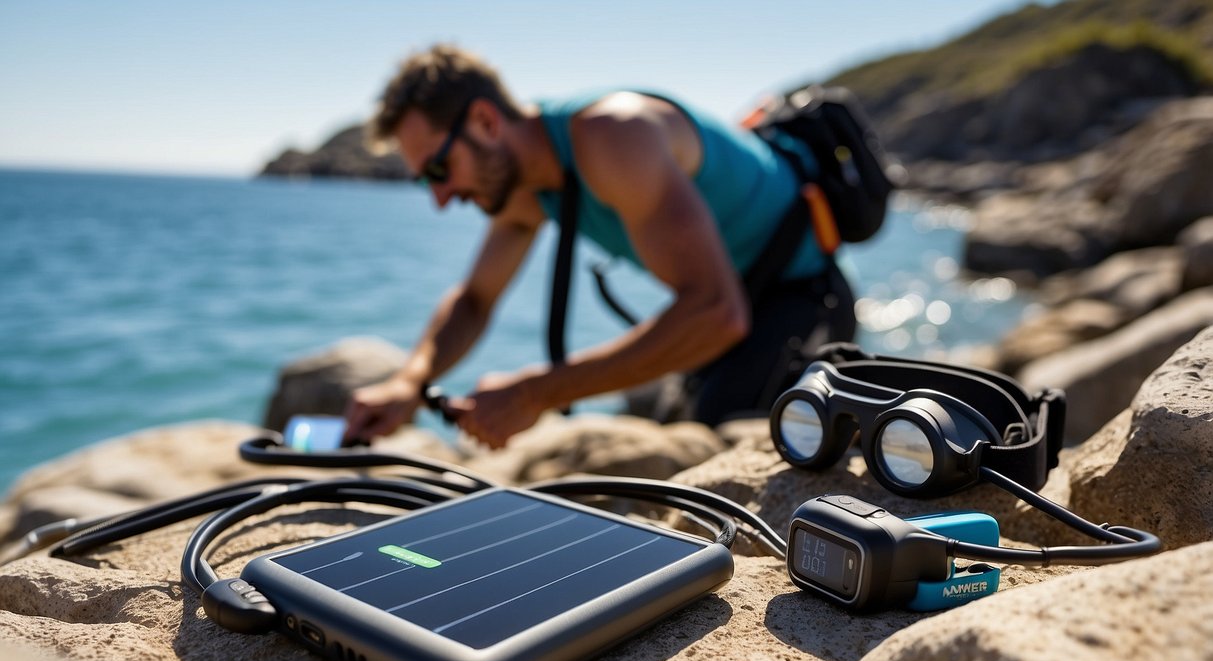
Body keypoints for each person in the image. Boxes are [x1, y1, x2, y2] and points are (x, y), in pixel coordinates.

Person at [344, 44, 856, 449]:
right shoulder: (521, 189)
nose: (439, 199)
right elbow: (476, 298)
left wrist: (533, 395)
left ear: (485, 121)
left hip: (801, 296)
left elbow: (717, 314)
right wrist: (408, 382)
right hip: (739, 298)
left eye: (438, 169)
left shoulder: (616, 135)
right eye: (423, 182)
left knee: (715, 436)